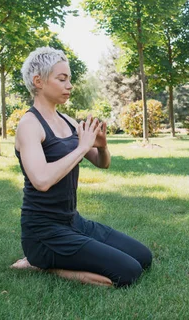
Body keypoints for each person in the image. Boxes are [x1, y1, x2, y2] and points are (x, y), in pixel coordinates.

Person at [11, 47, 152, 287]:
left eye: (70, 79)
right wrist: (80, 148)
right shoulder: (29, 125)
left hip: (73, 222)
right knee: (128, 273)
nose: (69, 85)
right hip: (43, 231)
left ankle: (46, 259)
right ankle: (43, 264)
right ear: (39, 81)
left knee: (144, 258)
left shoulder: (67, 121)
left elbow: (101, 163)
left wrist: (102, 147)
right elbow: (41, 181)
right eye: (62, 79)